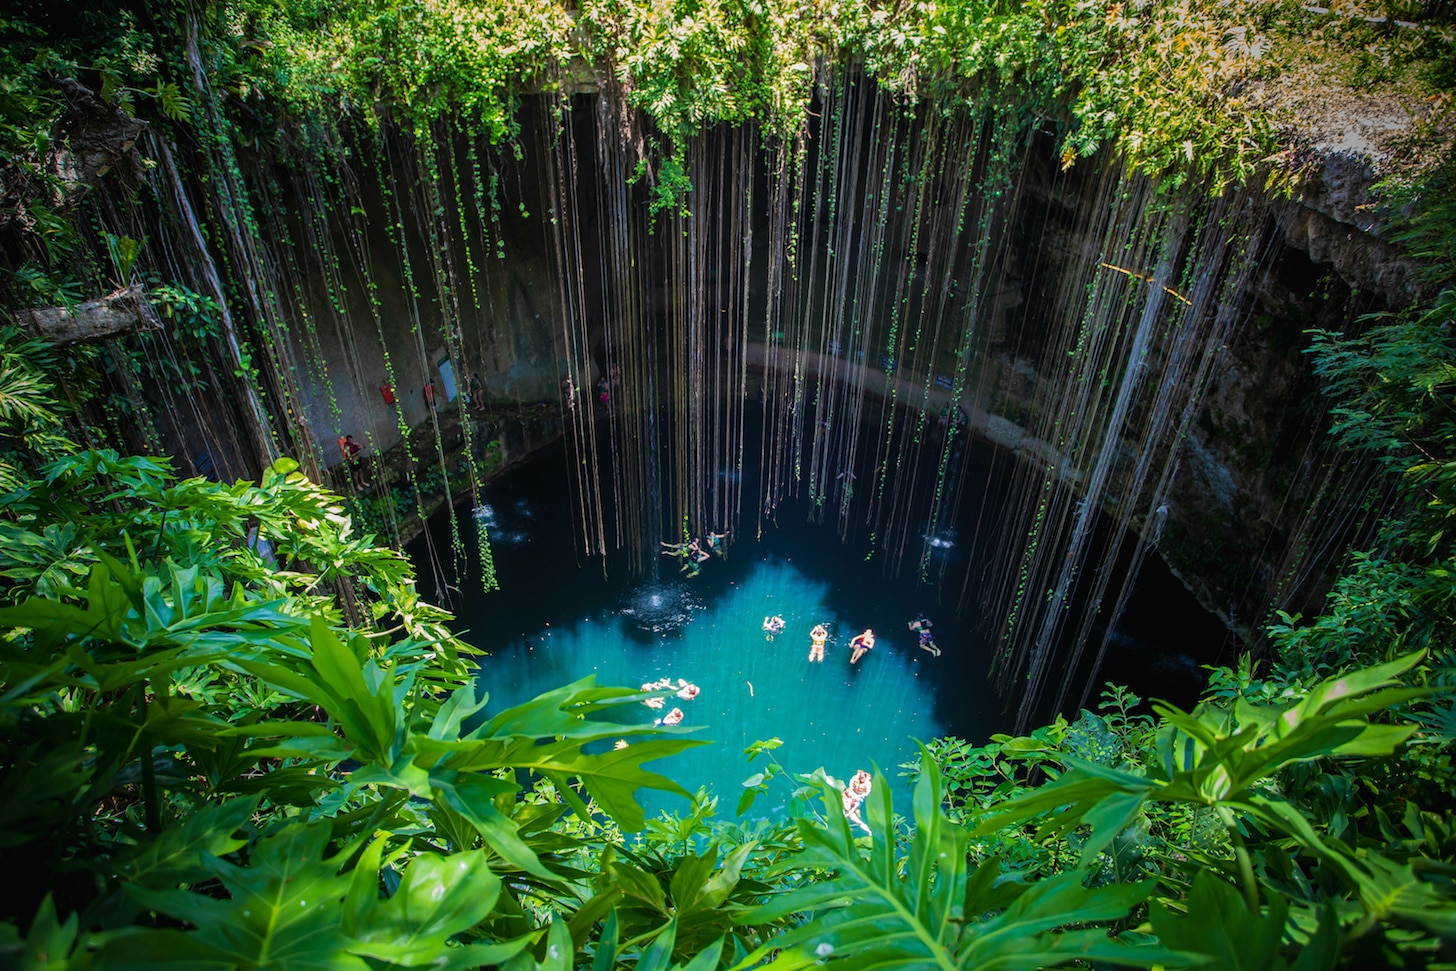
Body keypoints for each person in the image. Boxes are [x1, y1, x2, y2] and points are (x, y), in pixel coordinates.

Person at [842, 769, 873, 835]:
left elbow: (866, 793)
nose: (861, 779)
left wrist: (846, 815)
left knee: (855, 817)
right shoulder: (855, 778)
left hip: (858, 798)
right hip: (850, 794)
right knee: (850, 812)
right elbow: (851, 785)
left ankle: (869, 831)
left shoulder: (868, 784)